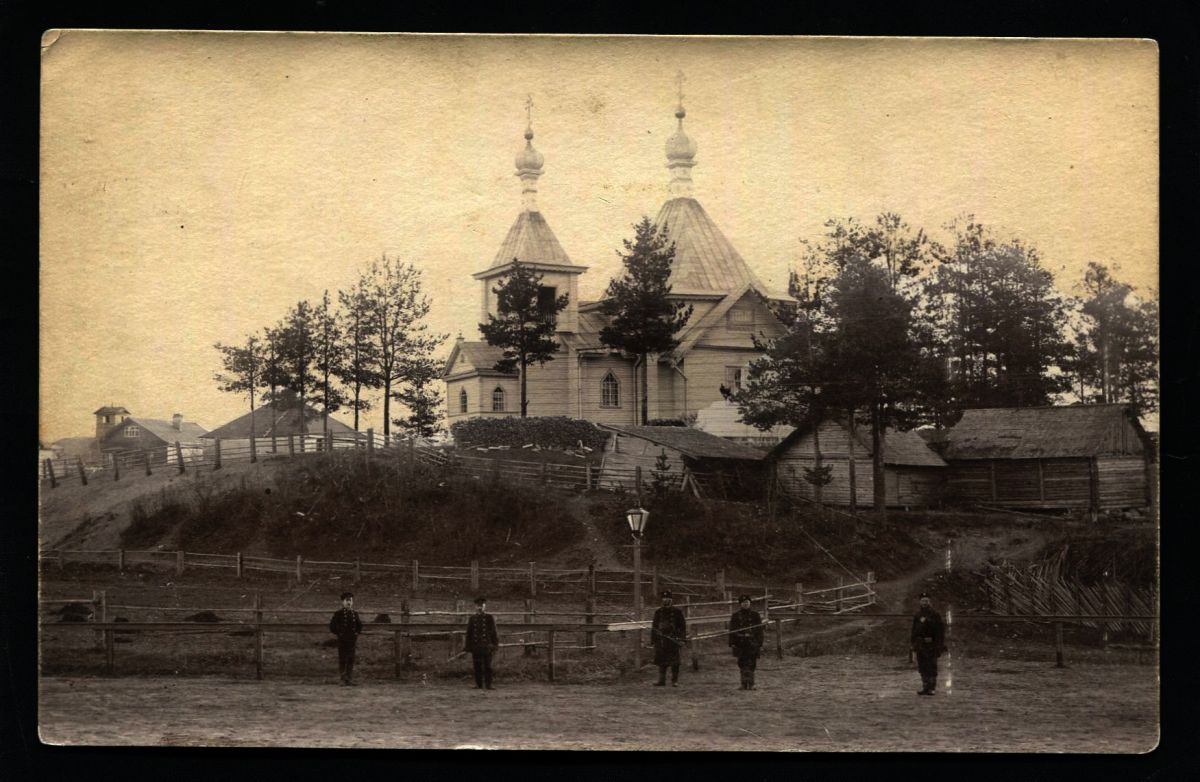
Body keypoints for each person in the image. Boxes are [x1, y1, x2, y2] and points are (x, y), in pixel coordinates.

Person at [910, 592, 946, 696]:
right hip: (920, 645)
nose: (924, 603)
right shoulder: (917, 615)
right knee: (922, 667)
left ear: (930, 602)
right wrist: (912, 644)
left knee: (931, 666)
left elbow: (940, 632)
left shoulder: (935, 615)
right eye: (922, 601)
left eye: (926, 601)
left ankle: (932, 688)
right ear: (919, 602)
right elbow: (914, 631)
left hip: (931, 645)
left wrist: (939, 646)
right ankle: (925, 687)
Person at [650, 589, 687, 687]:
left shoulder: (677, 612)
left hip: (673, 640)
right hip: (661, 640)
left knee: (675, 662)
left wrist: (682, 639)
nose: (666, 600)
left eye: (668, 598)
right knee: (662, 661)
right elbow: (654, 627)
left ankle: (675, 681)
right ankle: (661, 681)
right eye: (664, 598)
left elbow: (682, 627)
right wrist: (653, 640)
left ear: (671, 600)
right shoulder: (658, 612)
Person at [729, 594, 764, 690]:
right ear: (740, 604)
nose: (745, 604)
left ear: (750, 603)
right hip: (740, 643)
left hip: (752, 643)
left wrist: (760, 643)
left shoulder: (755, 615)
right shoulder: (735, 616)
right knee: (742, 663)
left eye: (747, 602)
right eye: (743, 603)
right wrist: (732, 643)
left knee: (752, 663)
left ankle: (751, 684)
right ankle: (743, 684)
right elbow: (732, 630)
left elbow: (759, 630)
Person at [464, 596, 500, 690]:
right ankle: (478, 685)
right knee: (477, 666)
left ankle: (489, 685)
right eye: (478, 605)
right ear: (475, 607)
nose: (480, 607)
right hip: (476, 646)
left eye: (482, 605)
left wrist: (495, 644)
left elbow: (494, 632)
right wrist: (468, 646)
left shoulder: (489, 617)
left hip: (487, 646)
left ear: (485, 606)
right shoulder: (472, 618)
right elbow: (469, 633)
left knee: (488, 666)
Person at [328, 591, 363, 686]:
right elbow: (332, 626)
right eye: (346, 601)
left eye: (350, 601)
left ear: (352, 602)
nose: (349, 603)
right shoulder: (338, 614)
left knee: (351, 659)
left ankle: (349, 679)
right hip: (342, 640)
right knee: (342, 659)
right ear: (342, 602)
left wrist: (356, 633)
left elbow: (359, 626)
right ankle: (342, 679)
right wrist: (339, 634)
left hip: (352, 640)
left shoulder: (354, 614)